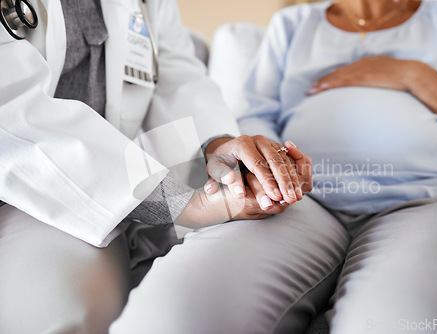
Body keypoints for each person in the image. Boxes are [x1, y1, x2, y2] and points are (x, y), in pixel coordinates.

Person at [0, 0, 315, 333]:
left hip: (95, 189)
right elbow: (11, 108)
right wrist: (180, 204)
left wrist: (219, 148)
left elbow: (177, 74)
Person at [229, 0, 437, 332]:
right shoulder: (291, 24)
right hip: (301, 202)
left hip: (431, 195)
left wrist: (414, 75)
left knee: (413, 316)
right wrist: (270, 174)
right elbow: (255, 116)